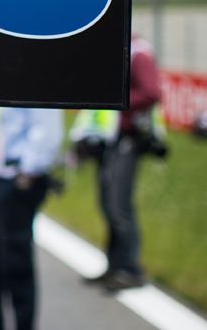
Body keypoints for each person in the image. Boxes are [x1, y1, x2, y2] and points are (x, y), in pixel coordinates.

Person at [0, 106, 63, 330]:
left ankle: (24, 325)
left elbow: (48, 126)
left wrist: (29, 171)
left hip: (17, 178)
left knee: (14, 261)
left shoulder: (33, 74)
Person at [86, 34, 163, 291]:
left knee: (119, 205)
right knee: (108, 203)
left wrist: (118, 99)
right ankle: (114, 266)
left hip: (128, 140)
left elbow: (151, 92)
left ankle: (130, 269)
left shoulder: (138, 53)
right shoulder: (120, 51)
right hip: (111, 139)